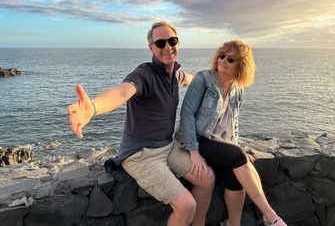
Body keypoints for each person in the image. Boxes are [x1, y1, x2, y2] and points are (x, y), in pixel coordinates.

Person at [67, 21, 215, 226]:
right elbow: (121, 92)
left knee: (207, 179)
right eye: (160, 43)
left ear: (178, 42)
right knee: (186, 205)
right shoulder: (144, 74)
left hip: (167, 146)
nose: (167, 47)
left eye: (172, 41)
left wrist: (217, 74)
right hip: (141, 155)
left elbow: (192, 78)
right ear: (151, 48)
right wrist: (93, 107)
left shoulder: (175, 76)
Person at [175, 40, 287, 226]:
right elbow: (186, 114)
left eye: (230, 59)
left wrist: (238, 149)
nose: (223, 60)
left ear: (241, 66)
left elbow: (232, 123)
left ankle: (234, 224)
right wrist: (193, 152)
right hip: (194, 140)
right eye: (221, 55)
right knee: (236, 156)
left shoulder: (237, 89)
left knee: (236, 177)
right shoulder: (203, 79)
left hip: (217, 145)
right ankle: (271, 217)